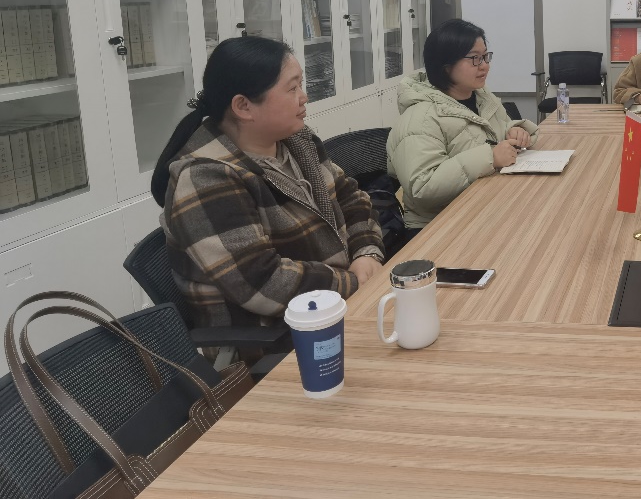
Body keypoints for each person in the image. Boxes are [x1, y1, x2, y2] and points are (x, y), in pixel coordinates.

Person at [153, 37, 385, 335]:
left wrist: (366, 252)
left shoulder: (296, 140)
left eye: (301, 85)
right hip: (274, 338)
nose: (304, 97)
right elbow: (264, 282)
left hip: (338, 306)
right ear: (243, 106)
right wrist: (355, 282)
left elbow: (351, 198)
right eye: (292, 88)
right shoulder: (205, 177)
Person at [387, 18, 538, 232]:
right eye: (475, 58)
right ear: (446, 66)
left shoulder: (481, 97)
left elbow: (493, 131)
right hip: (439, 226)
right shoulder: (420, 117)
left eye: (485, 56)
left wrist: (515, 131)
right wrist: (490, 158)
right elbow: (422, 187)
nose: (484, 65)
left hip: (484, 208)